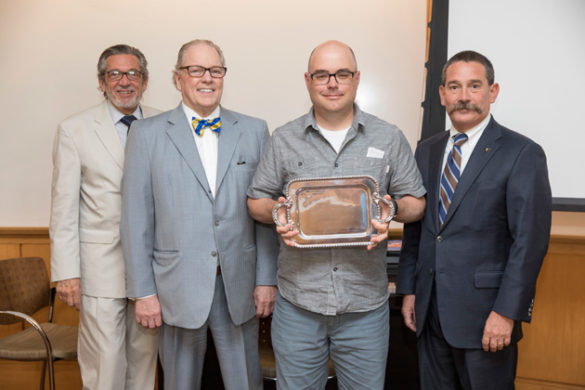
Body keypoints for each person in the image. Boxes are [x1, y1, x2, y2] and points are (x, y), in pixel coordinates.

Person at [247, 40, 426, 390]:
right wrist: (278, 212)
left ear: (356, 79)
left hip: (364, 308)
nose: (332, 83)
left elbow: (416, 203)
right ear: (308, 80)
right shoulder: (284, 139)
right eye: (322, 75)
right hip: (298, 304)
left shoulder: (388, 137)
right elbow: (256, 201)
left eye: (342, 74)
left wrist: (389, 210)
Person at [120, 39, 278, 390]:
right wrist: (143, 293)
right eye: (196, 70)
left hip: (239, 284)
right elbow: (135, 220)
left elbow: (266, 214)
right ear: (178, 78)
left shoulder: (254, 130)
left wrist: (267, 279)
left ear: (223, 76)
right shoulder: (145, 134)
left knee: (246, 382)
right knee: (180, 383)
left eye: (215, 70)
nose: (207, 78)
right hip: (176, 288)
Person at [397, 50, 552, 390]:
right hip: (430, 312)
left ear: (492, 92)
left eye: (474, 86)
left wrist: (506, 313)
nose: (464, 97)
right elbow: (416, 231)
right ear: (442, 95)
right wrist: (409, 290)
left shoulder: (522, 153)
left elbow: (530, 242)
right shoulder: (427, 149)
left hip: (487, 319)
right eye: (454, 87)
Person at [50, 44, 159, 390]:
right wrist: (67, 274)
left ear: (144, 81)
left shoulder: (164, 124)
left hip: (152, 272)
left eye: (133, 74)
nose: (124, 82)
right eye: (115, 74)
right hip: (100, 268)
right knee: (105, 368)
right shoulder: (74, 129)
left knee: (144, 365)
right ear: (101, 82)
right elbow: (63, 207)